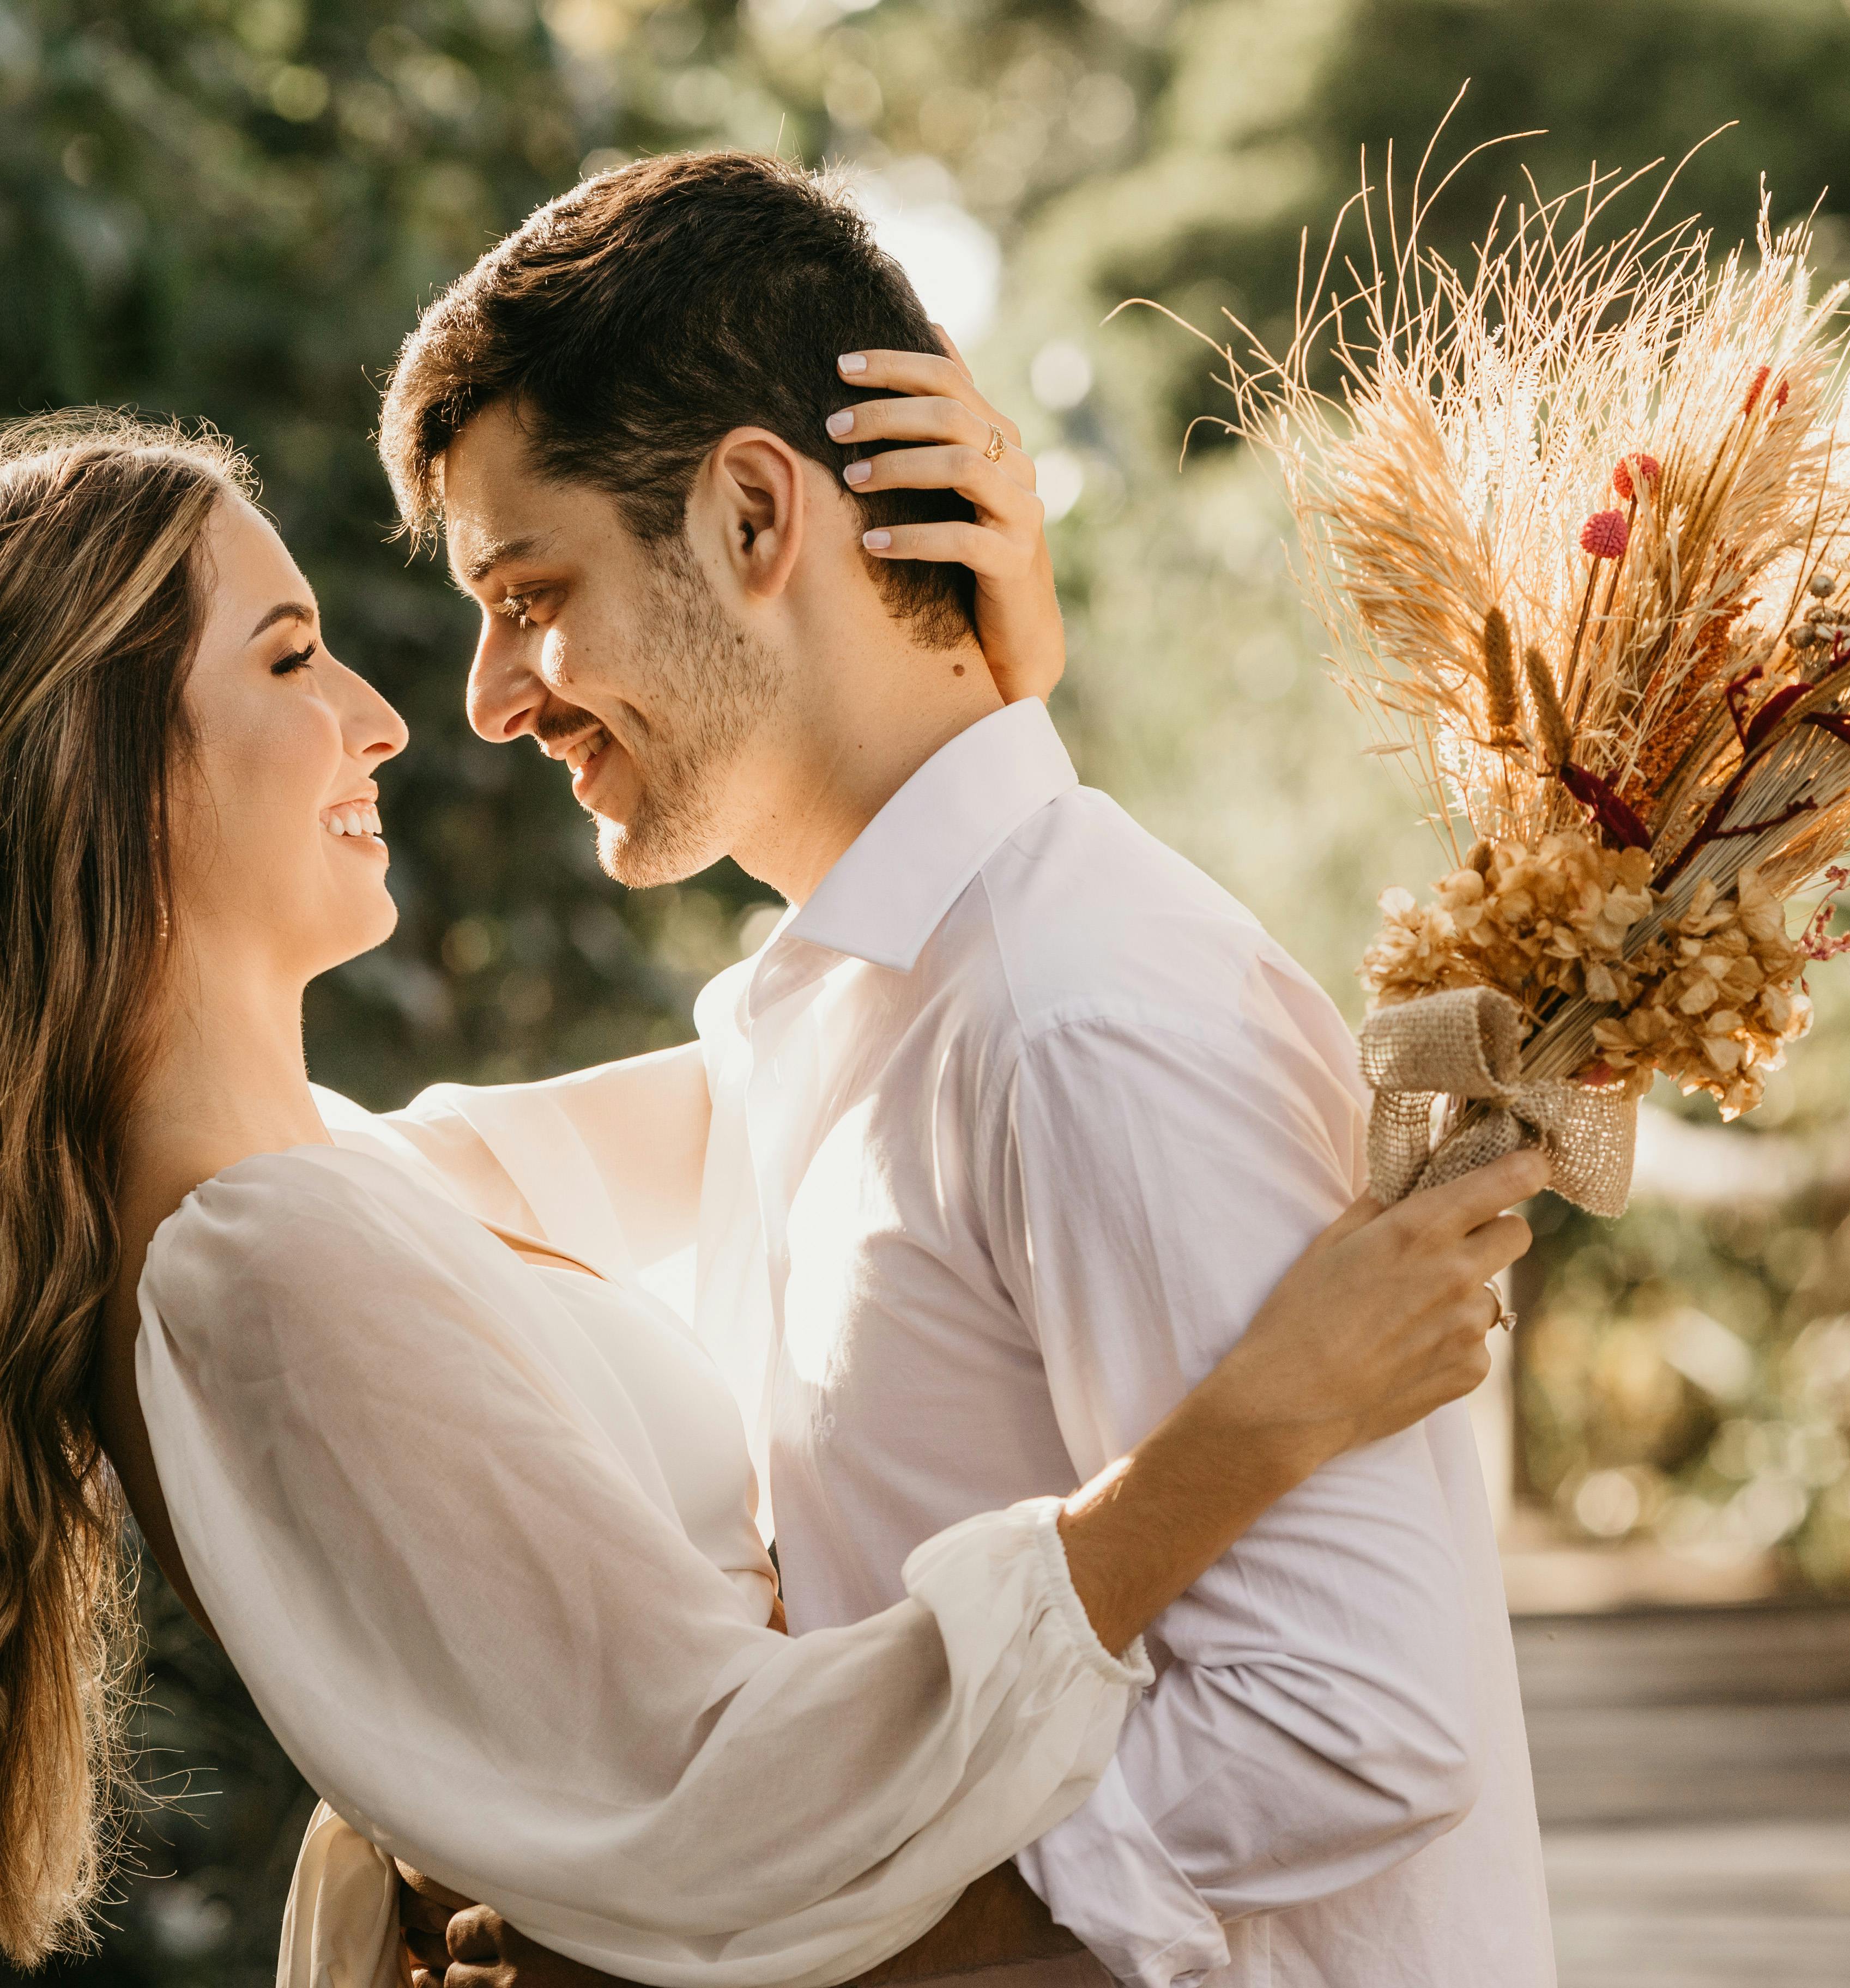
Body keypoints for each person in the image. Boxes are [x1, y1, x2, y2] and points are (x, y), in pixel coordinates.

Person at [0, 408, 1541, 1977]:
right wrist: (1248, 1432)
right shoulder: (262, 1263)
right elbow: (716, 1786)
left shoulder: (345, 1184)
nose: (386, 717)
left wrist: (973, 716)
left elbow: (842, 1051)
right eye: (290, 660)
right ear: (104, 763)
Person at [352, 151, 1555, 1988]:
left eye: (533, 590)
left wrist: (740, 1964)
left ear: (758, 517)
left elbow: (1352, 1720)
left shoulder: (1084, 1017)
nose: (492, 695)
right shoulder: (832, 1005)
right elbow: (384, 1190)